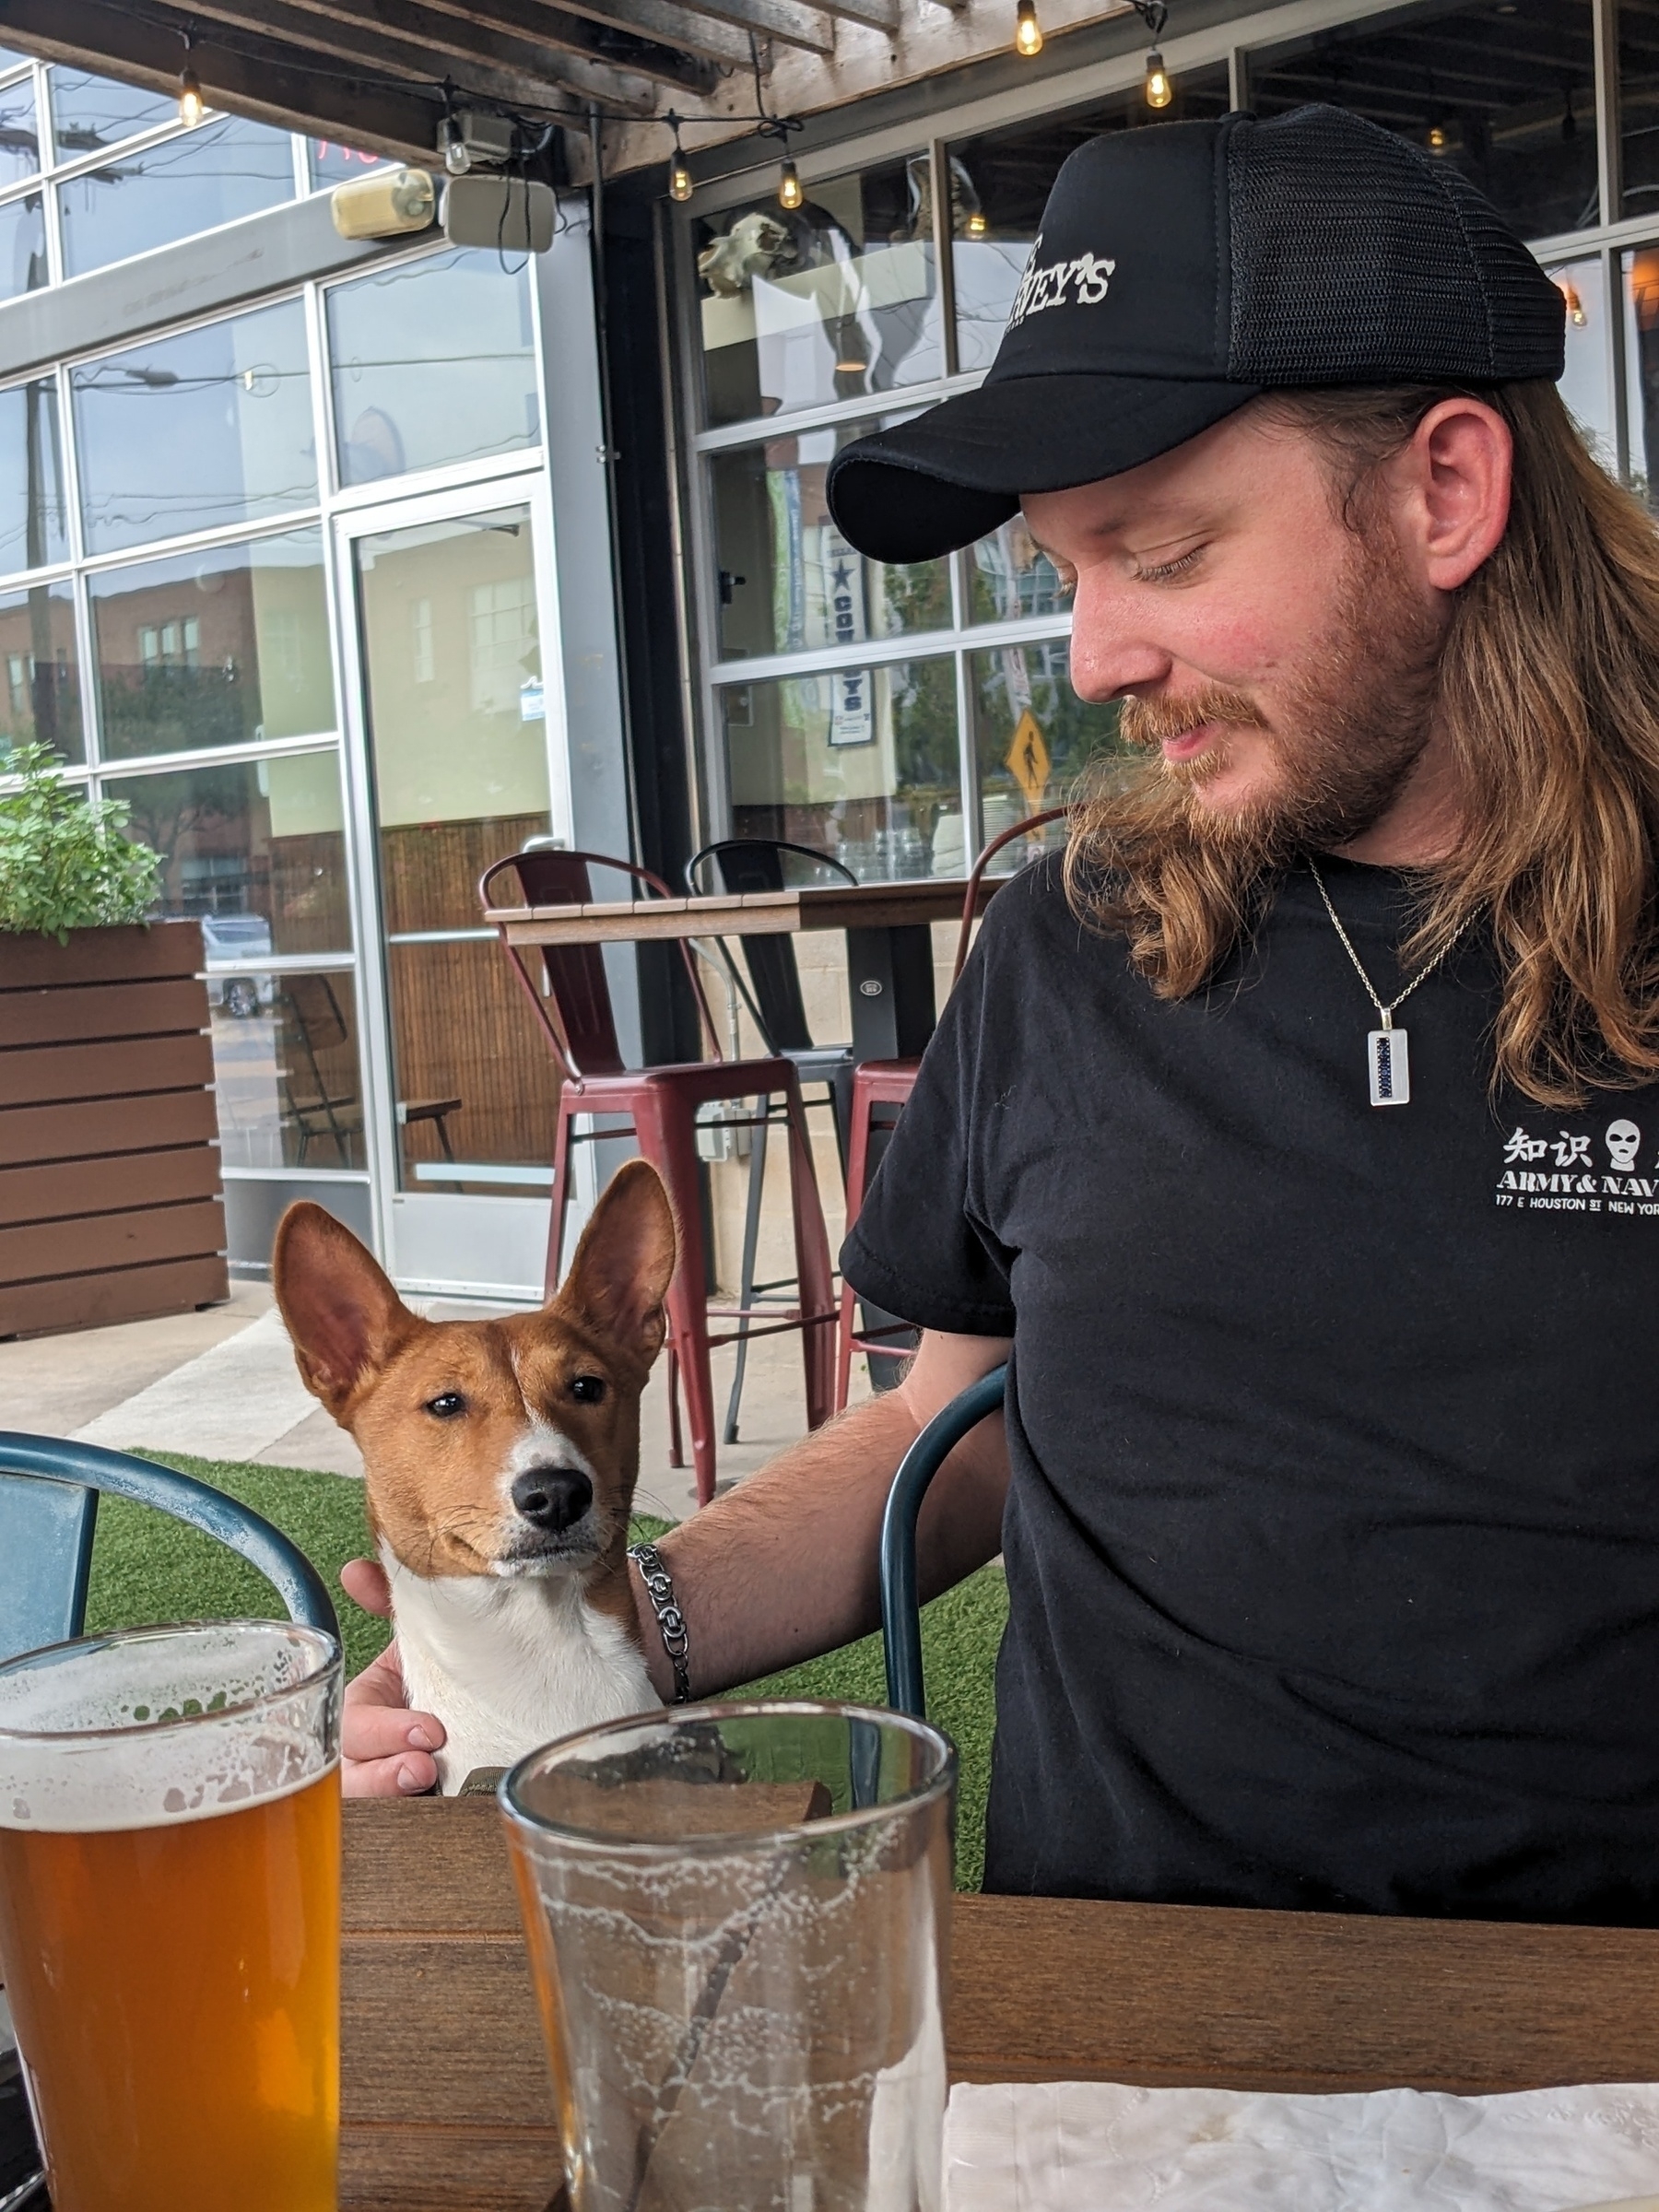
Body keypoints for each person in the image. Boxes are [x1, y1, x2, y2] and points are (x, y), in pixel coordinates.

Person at [342, 106, 1659, 1925]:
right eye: (1065, 572)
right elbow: (942, 1426)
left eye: (1169, 554)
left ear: (1445, 492)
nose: (1092, 659)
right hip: (1113, 2009)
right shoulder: (1068, 945)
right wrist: (595, 1622)